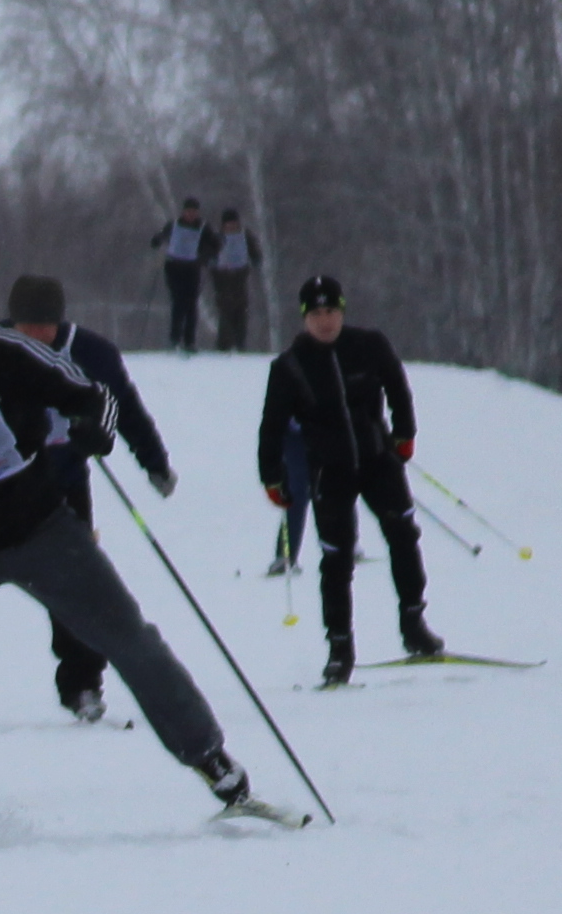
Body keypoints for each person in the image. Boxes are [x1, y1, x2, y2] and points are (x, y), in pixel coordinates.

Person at [0, 272, 276, 846]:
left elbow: (95, 394)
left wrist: (94, 428)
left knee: (128, 637)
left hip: (39, 529)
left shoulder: (0, 349)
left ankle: (211, 759)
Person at [0, 271, 172, 724]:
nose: (34, 336)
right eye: (25, 326)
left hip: (64, 482)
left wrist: (153, 460)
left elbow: (123, 407)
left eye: (43, 327)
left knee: (77, 585)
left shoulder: (92, 353)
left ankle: (83, 683)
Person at [257, 274, 439, 685]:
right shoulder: (289, 366)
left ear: (343, 311)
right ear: (305, 318)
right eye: (317, 314)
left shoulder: (369, 345)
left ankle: (414, 624)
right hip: (329, 470)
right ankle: (340, 648)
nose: (325, 321)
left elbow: (398, 387)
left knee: (403, 535)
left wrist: (405, 434)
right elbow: (271, 425)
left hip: (378, 460)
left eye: (332, 312)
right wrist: (272, 477)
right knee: (336, 560)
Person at [157, 197, 213, 353]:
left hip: (192, 268)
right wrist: (157, 240)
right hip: (174, 266)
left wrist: (205, 256)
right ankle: (174, 339)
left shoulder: (203, 227)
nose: (191, 214)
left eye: (194, 212)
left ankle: (189, 341)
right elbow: (161, 236)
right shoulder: (174, 224)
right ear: (183, 211)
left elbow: (214, 244)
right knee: (178, 302)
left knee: (191, 305)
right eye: (188, 211)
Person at [207, 206, 263, 351]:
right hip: (222, 279)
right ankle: (224, 344)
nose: (231, 226)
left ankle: (240, 342)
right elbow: (208, 256)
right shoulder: (217, 237)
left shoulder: (245, 236)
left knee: (240, 311)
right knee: (225, 312)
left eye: (234, 222)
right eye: (228, 223)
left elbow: (255, 252)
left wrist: (256, 260)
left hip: (240, 277)